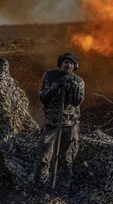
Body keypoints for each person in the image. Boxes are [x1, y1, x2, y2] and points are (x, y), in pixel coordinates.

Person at [34, 52, 85, 195]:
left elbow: (77, 101)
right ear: (60, 64)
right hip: (52, 123)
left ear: (75, 66)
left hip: (70, 124)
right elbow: (43, 97)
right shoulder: (50, 76)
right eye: (65, 62)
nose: (68, 65)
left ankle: (63, 190)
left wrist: (73, 89)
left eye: (71, 63)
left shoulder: (79, 81)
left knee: (67, 158)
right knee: (44, 156)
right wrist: (55, 87)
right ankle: (40, 187)